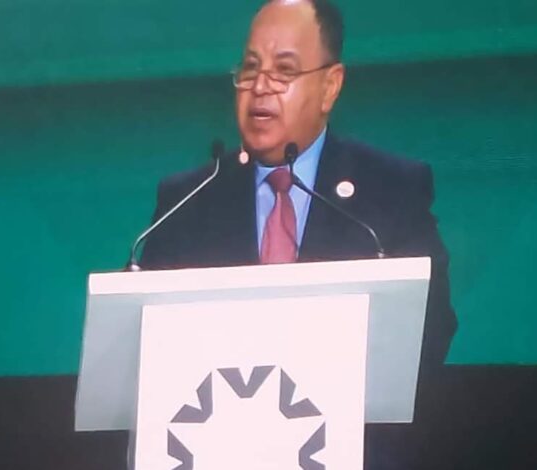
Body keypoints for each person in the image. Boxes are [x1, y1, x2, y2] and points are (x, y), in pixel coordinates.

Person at [140, 0, 457, 465]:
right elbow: (144, 347)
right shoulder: (187, 202)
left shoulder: (391, 190)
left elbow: (431, 327)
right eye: (251, 69)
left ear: (330, 86)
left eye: (284, 71)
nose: (260, 87)